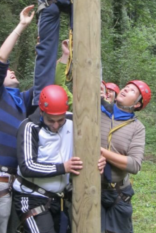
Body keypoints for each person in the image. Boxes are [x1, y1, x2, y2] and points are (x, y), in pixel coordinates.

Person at [13, 85, 105, 233]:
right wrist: (63, 167)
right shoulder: (30, 127)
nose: (56, 125)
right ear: (42, 111)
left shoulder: (72, 121)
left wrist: (98, 160)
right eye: (51, 120)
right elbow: (27, 166)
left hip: (56, 198)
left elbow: (89, 147)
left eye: (60, 120)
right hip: (30, 196)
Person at [0, 5, 35, 233]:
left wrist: (61, 57)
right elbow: (2, 59)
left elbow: (43, 82)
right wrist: (21, 26)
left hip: (19, 179)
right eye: (6, 72)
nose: (10, 71)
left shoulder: (21, 100)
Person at [100, 80, 151, 233]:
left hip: (118, 192)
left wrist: (101, 151)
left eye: (132, 91)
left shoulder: (137, 128)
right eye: (126, 87)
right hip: (92, 189)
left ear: (137, 104)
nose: (125, 90)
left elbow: (134, 165)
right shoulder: (99, 112)